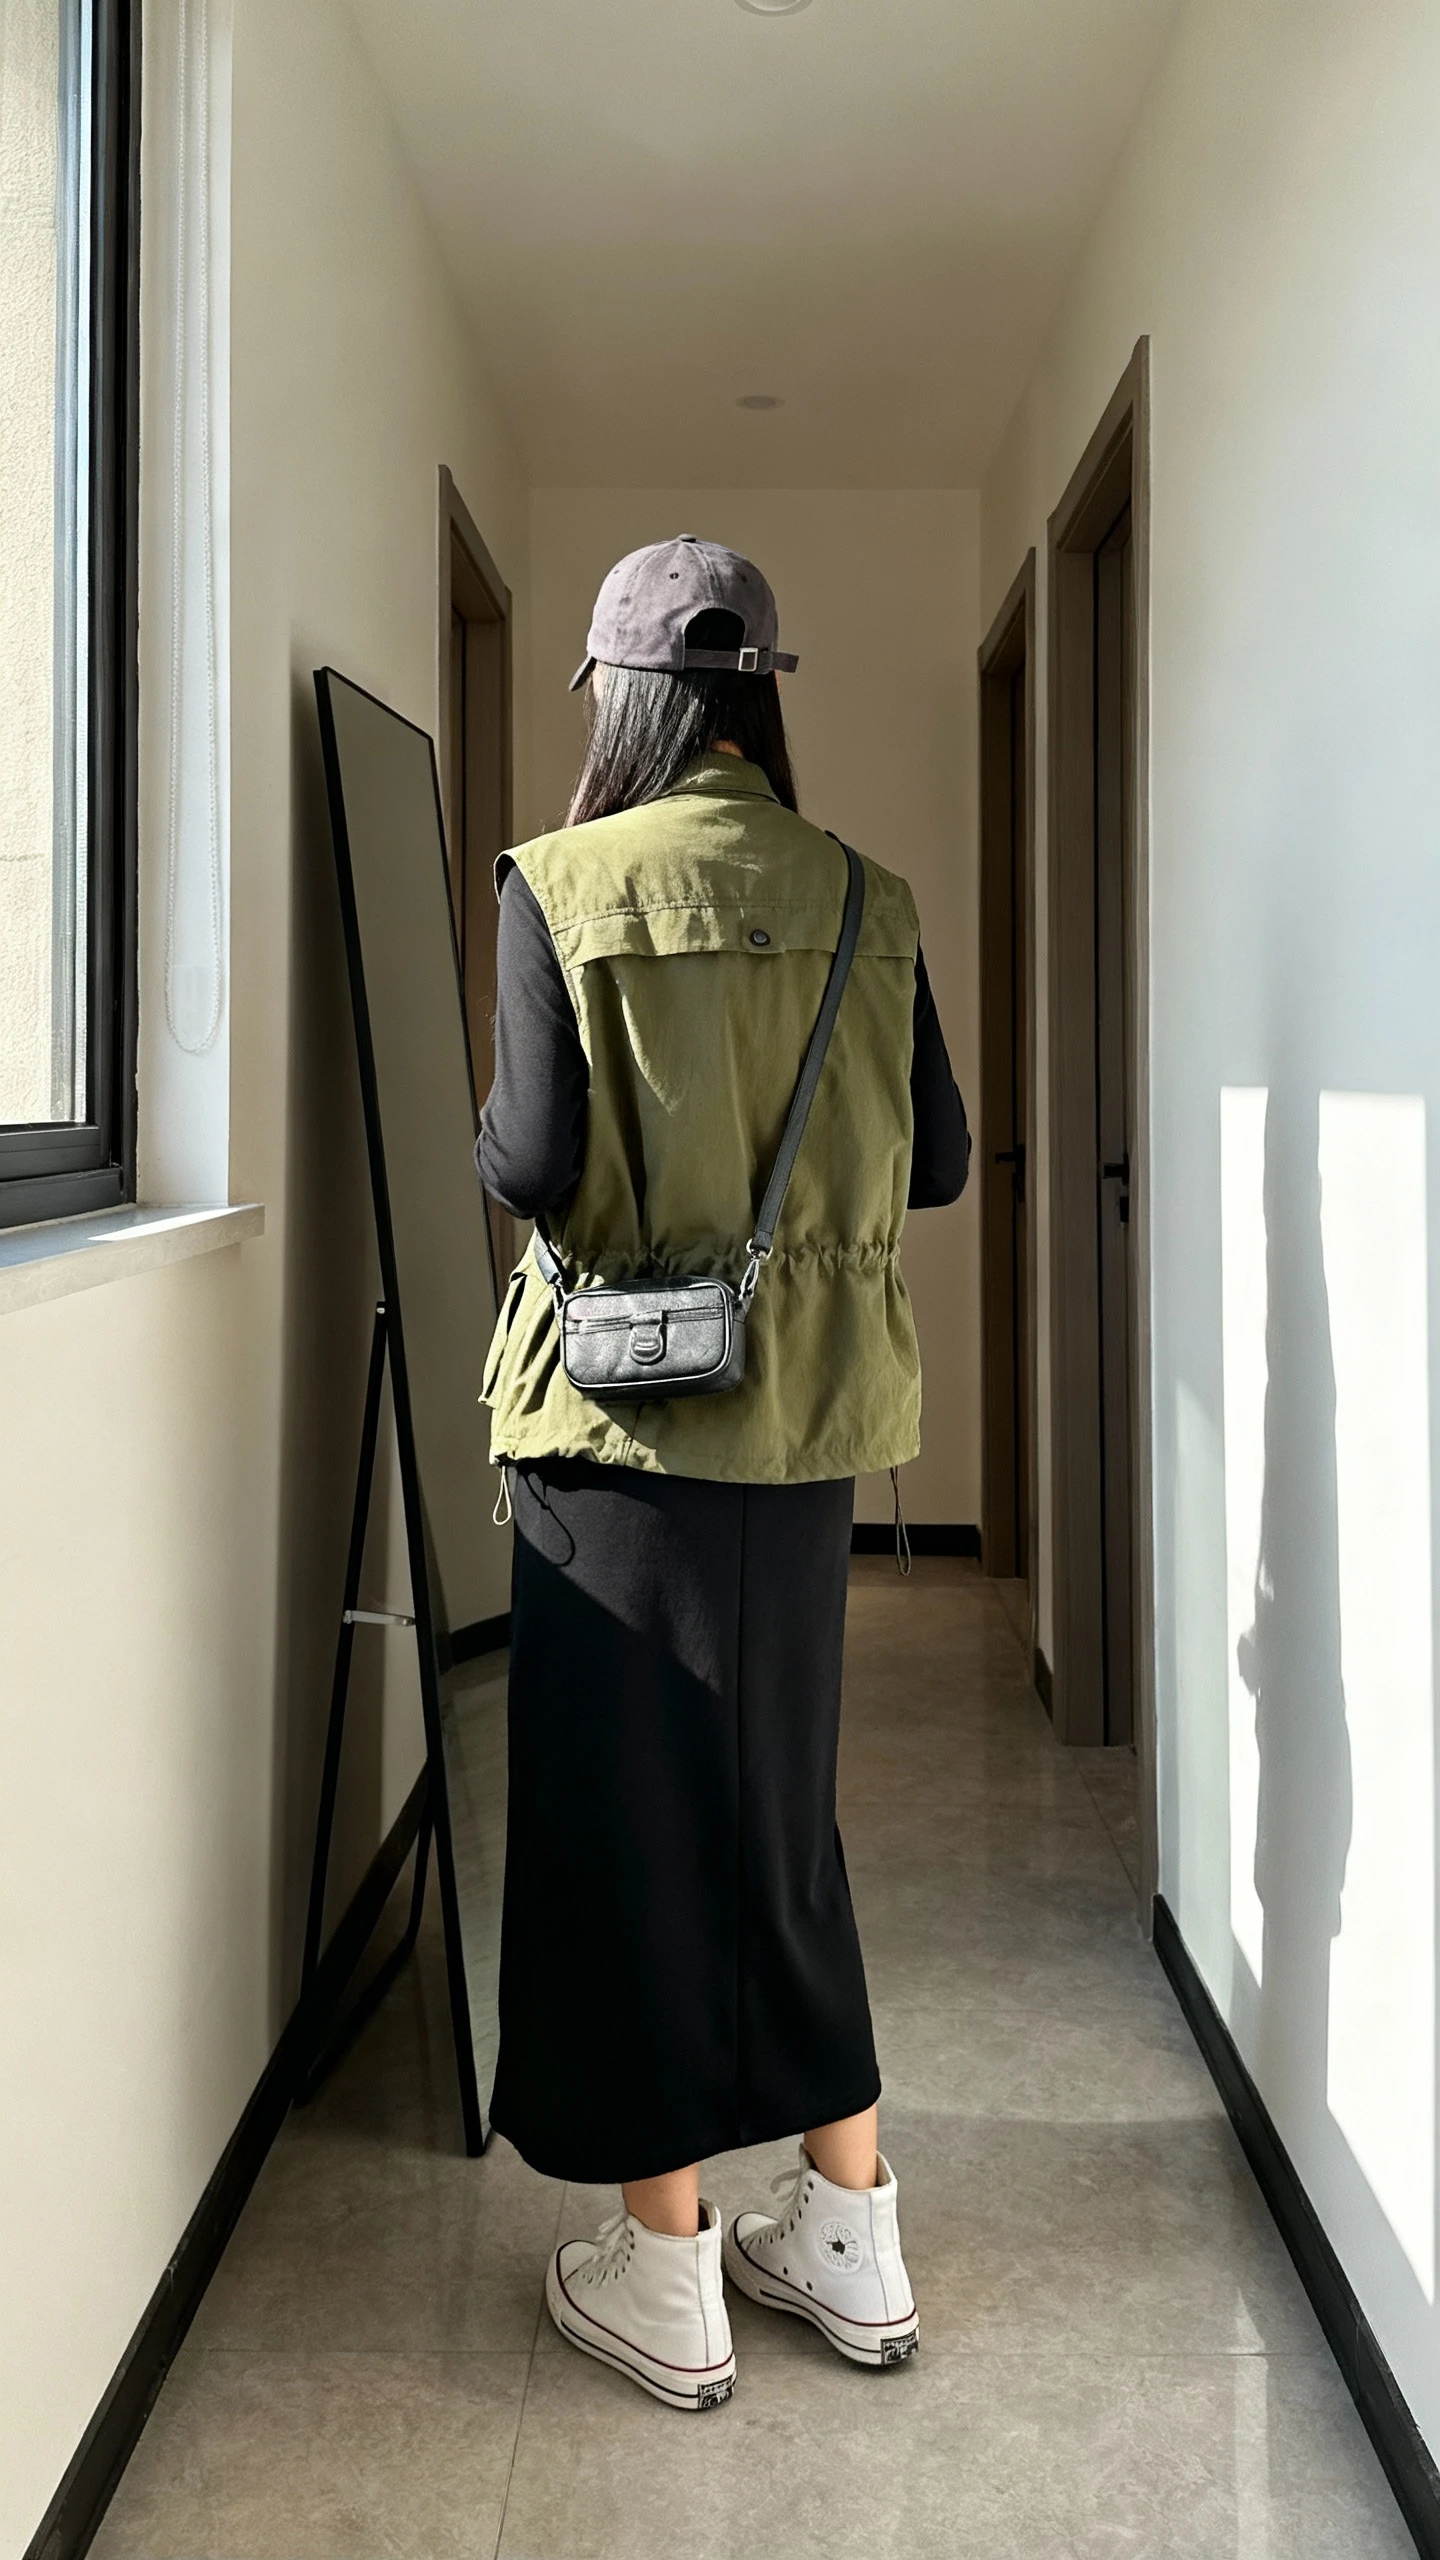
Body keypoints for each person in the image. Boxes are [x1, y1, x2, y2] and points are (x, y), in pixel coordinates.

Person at [476, 534, 969, 2412]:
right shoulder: (870, 897)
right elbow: (935, 1160)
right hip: (812, 1429)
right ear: (763, 693)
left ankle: (668, 2268)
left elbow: (523, 1161)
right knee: (780, 1821)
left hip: (615, 1437)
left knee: (621, 1836)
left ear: (626, 703)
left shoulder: (556, 884)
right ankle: (851, 2237)